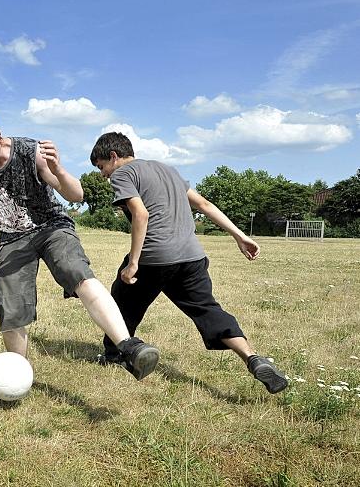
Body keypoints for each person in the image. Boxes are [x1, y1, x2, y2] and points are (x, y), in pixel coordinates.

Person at [0, 106, 160, 381]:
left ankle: (129, 347)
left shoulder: (29, 151)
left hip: (52, 227)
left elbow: (75, 195)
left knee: (76, 271)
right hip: (12, 240)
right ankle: (15, 376)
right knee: (10, 307)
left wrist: (58, 170)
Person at [89, 131, 288, 394]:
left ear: (113, 157)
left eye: (102, 167)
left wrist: (134, 262)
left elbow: (141, 214)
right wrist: (240, 236)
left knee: (122, 300)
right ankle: (252, 357)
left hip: (155, 256)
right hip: (191, 257)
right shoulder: (167, 170)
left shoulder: (123, 174)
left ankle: (115, 354)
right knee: (208, 310)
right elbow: (204, 204)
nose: (103, 175)